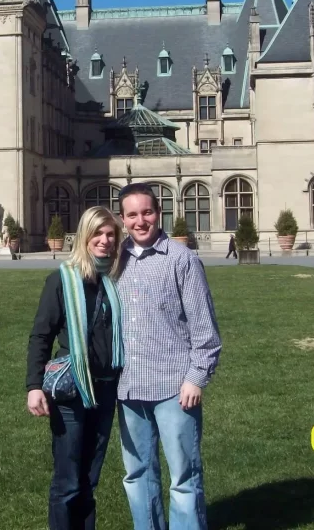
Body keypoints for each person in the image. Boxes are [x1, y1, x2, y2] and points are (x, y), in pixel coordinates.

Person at [114, 183, 222, 530]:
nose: (140, 220)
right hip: (128, 388)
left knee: (183, 477)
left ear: (159, 214)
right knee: (137, 474)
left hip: (175, 388)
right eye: (132, 214)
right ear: (122, 219)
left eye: (147, 212)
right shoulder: (115, 261)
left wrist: (196, 377)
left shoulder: (182, 260)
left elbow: (205, 328)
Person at [27, 206, 126, 530]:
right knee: (68, 480)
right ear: (84, 236)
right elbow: (41, 334)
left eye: (110, 234)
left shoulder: (114, 280)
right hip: (71, 389)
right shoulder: (62, 280)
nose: (104, 240)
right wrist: (34, 386)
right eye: (98, 233)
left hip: (106, 387)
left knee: (90, 478)